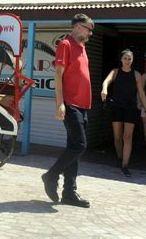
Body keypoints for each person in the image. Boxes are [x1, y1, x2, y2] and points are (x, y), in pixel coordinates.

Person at [41, 14, 94, 208]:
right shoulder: (66, 44)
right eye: (88, 29)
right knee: (79, 145)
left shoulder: (83, 47)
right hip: (70, 104)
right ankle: (51, 175)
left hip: (83, 105)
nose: (90, 33)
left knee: (74, 148)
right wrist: (60, 103)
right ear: (77, 27)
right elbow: (58, 73)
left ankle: (69, 192)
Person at [101, 49, 146, 177]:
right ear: (121, 59)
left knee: (127, 137)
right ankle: (119, 157)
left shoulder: (137, 75)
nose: (127, 61)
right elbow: (106, 81)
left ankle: (125, 165)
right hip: (116, 107)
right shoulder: (115, 72)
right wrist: (104, 89)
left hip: (131, 108)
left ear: (132, 60)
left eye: (129, 58)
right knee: (117, 137)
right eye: (125, 58)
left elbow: (141, 93)